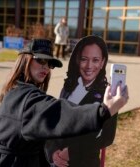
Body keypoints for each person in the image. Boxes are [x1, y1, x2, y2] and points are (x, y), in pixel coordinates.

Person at [0, 38, 129, 167]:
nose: (45, 67)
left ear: (103, 62)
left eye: (49, 63)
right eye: (40, 60)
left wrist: (64, 153)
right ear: (24, 60)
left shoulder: (17, 90)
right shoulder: (27, 98)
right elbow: (61, 114)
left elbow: (105, 137)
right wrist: (104, 111)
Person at [45, 35, 117, 167]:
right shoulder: (68, 88)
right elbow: (56, 124)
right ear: (77, 60)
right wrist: (52, 152)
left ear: (102, 62)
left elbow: (107, 137)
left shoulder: (108, 95)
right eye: (84, 59)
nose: (89, 66)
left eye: (95, 60)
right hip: (58, 162)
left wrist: (71, 152)